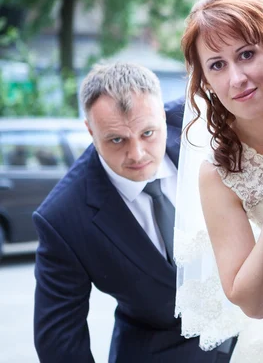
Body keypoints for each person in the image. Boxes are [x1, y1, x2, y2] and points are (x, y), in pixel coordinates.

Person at [33, 62, 236, 363]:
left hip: (251, 335)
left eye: (148, 133)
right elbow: (60, 342)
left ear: (162, 116)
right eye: (117, 139)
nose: (137, 154)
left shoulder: (200, 119)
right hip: (158, 352)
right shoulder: (62, 219)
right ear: (90, 130)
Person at [174, 0, 263, 363]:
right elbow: (249, 301)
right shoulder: (218, 173)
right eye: (217, 65)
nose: (236, 78)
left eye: (246, 54)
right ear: (204, 81)